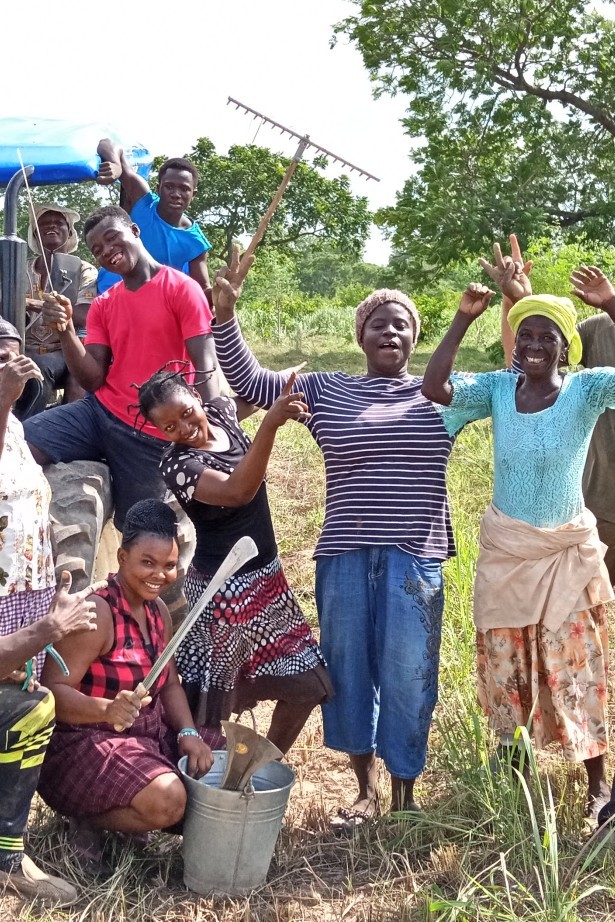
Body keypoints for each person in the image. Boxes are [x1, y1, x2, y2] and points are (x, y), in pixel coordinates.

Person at [205, 248, 458, 830]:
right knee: (346, 672)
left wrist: (513, 303)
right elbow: (252, 381)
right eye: (378, 323)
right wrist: (225, 315)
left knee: (408, 672)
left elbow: (523, 379)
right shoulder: (327, 390)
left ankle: (405, 791)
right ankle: (363, 787)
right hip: (344, 553)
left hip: (414, 557)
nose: (390, 331)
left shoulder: (442, 392)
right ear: (361, 336)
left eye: (401, 324)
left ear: (414, 338)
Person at [422, 260, 615, 820]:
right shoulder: (499, 391)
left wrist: (610, 306)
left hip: (564, 556)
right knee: (504, 669)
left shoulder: (586, 391)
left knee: (577, 668)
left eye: (546, 337)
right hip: (507, 554)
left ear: (565, 348)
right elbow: (435, 386)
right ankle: (515, 781)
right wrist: (462, 319)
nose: (533, 344)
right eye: (525, 334)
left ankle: (597, 785)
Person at [134, 366, 334, 754]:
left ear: (196, 396)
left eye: (186, 413)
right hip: (220, 592)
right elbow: (239, 490)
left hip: (267, 580)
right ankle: (198, 785)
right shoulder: (177, 466)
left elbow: (256, 385)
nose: (184, 428)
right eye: (170, 427)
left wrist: (289, 378)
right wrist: (271, 425)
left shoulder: (223, 412)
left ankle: (255, 768)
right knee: (210, 704)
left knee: (308, 684)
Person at [38, 499, 213, 874]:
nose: (159, 575)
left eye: (168, 566)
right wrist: (106, 709)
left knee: (225, 763)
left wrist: (187, 732)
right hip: (84, 745)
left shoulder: (158, 612)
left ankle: (130, 810)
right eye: (147, 563)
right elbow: (51, 691)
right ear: (121, 556)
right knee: (171, 801)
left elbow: (169, 686)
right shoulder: (97, 615)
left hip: (143, 738)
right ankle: (87, 818)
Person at [22, 205, 218, 531]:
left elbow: (205, 365)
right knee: (18, 443)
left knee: (143, 530)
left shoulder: (182, 288)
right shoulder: (104, 304)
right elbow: (92, 378)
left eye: (113, 239)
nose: (107, 251)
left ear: (135, 232)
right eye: (98, 249)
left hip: (153, 434)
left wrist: (217, 427)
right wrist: (66, 330)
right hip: (99, 414)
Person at [0, 317, 105, 906]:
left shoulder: (17, 426)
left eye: (16, 357)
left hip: (22, 596)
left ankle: (7, 852)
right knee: (24, 705)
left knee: (23, 710)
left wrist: (50, 574)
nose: (13, 367)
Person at [500, 236, 615, 586]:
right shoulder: (599, 329)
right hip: (600, 496)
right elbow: (530, 362)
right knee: (592, 605)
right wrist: (518, 299)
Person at [96, 140, 211, 295]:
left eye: (184, 189)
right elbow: (107, 143)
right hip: (105, 295)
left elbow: (202, 291)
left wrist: (222, 290)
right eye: (169, 187)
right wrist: (116, 166)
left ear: (193, 195)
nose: (176, 194)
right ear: (158, 188)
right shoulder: (143, 202)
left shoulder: (196, 243)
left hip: (143, 307)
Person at [15, 204, 97, 419]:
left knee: (37, 369)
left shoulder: (84, 270)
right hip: (21, 345)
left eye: (58, 222)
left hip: (60, 349)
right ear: (35, 233)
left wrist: (31, 303)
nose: (51, 225)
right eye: (44, 222)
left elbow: (84, 315)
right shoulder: (20, 267)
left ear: (69, 232)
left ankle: (26, 433)